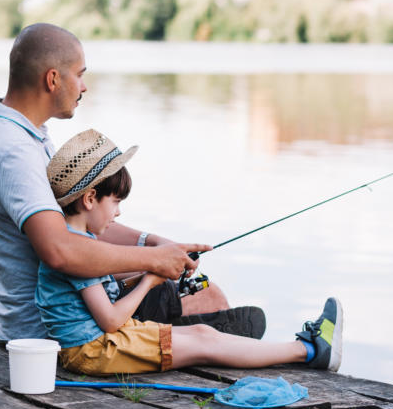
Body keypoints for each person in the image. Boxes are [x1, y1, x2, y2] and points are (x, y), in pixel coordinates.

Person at [0, 23, 264, 342]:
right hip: (55, 325)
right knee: (208, 298)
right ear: (52, 79)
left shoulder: (16, 131)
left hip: (65, 303)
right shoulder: (15, 152)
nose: (84, 86)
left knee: (187, 288)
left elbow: (74, 223)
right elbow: (60, 250)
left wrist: (155, 244)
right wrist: (154, 261)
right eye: (80, 74)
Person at [36, 129, 343, 375]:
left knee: (201, 332)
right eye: (115, 202)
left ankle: (307, 349)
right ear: (90, 199)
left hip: (98, 344)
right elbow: (110, 320)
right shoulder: (81, 251)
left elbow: (101, 300)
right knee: (204, 342)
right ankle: (309, 350)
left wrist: (150, 271)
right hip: (96, 351)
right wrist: (148, 283)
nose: (118, 212)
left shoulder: (77, 239)